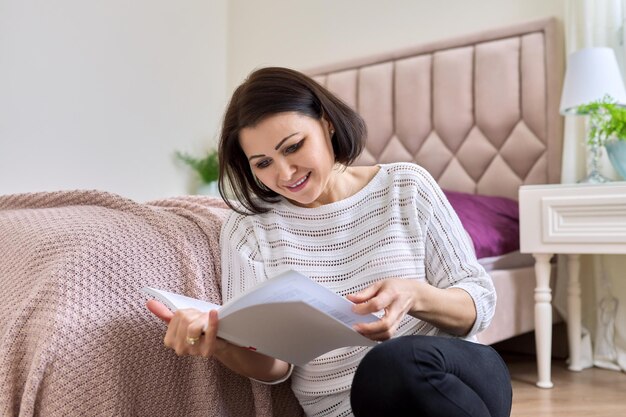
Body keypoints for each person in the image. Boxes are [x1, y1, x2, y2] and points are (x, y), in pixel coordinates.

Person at [147, 66, 512, 417]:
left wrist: (415, 295)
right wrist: (221, 346)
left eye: (293, 147)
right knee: (381, 373)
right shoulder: (249, 229)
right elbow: (276, 366)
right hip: (348, 408)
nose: (285, 174)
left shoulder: (405, 186)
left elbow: (478, 304)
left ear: (327, 123)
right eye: (262, 163)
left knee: (392, 363)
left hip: (454, 376)